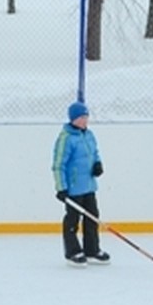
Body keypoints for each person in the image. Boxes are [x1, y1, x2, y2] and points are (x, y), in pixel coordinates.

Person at [52, 101, 109, 267]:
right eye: (82, 117)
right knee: (72, 220)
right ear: (74, 119)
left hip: (89, 186)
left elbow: (95, 153)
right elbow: (58, 165)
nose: (85, 120)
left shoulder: (89, 135)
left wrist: (98, 164)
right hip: (73, 188)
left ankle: (92, 250)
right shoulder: (66, 138)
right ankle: (73, 252)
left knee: (92, 217)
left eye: (86, 117)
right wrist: (61, 188)